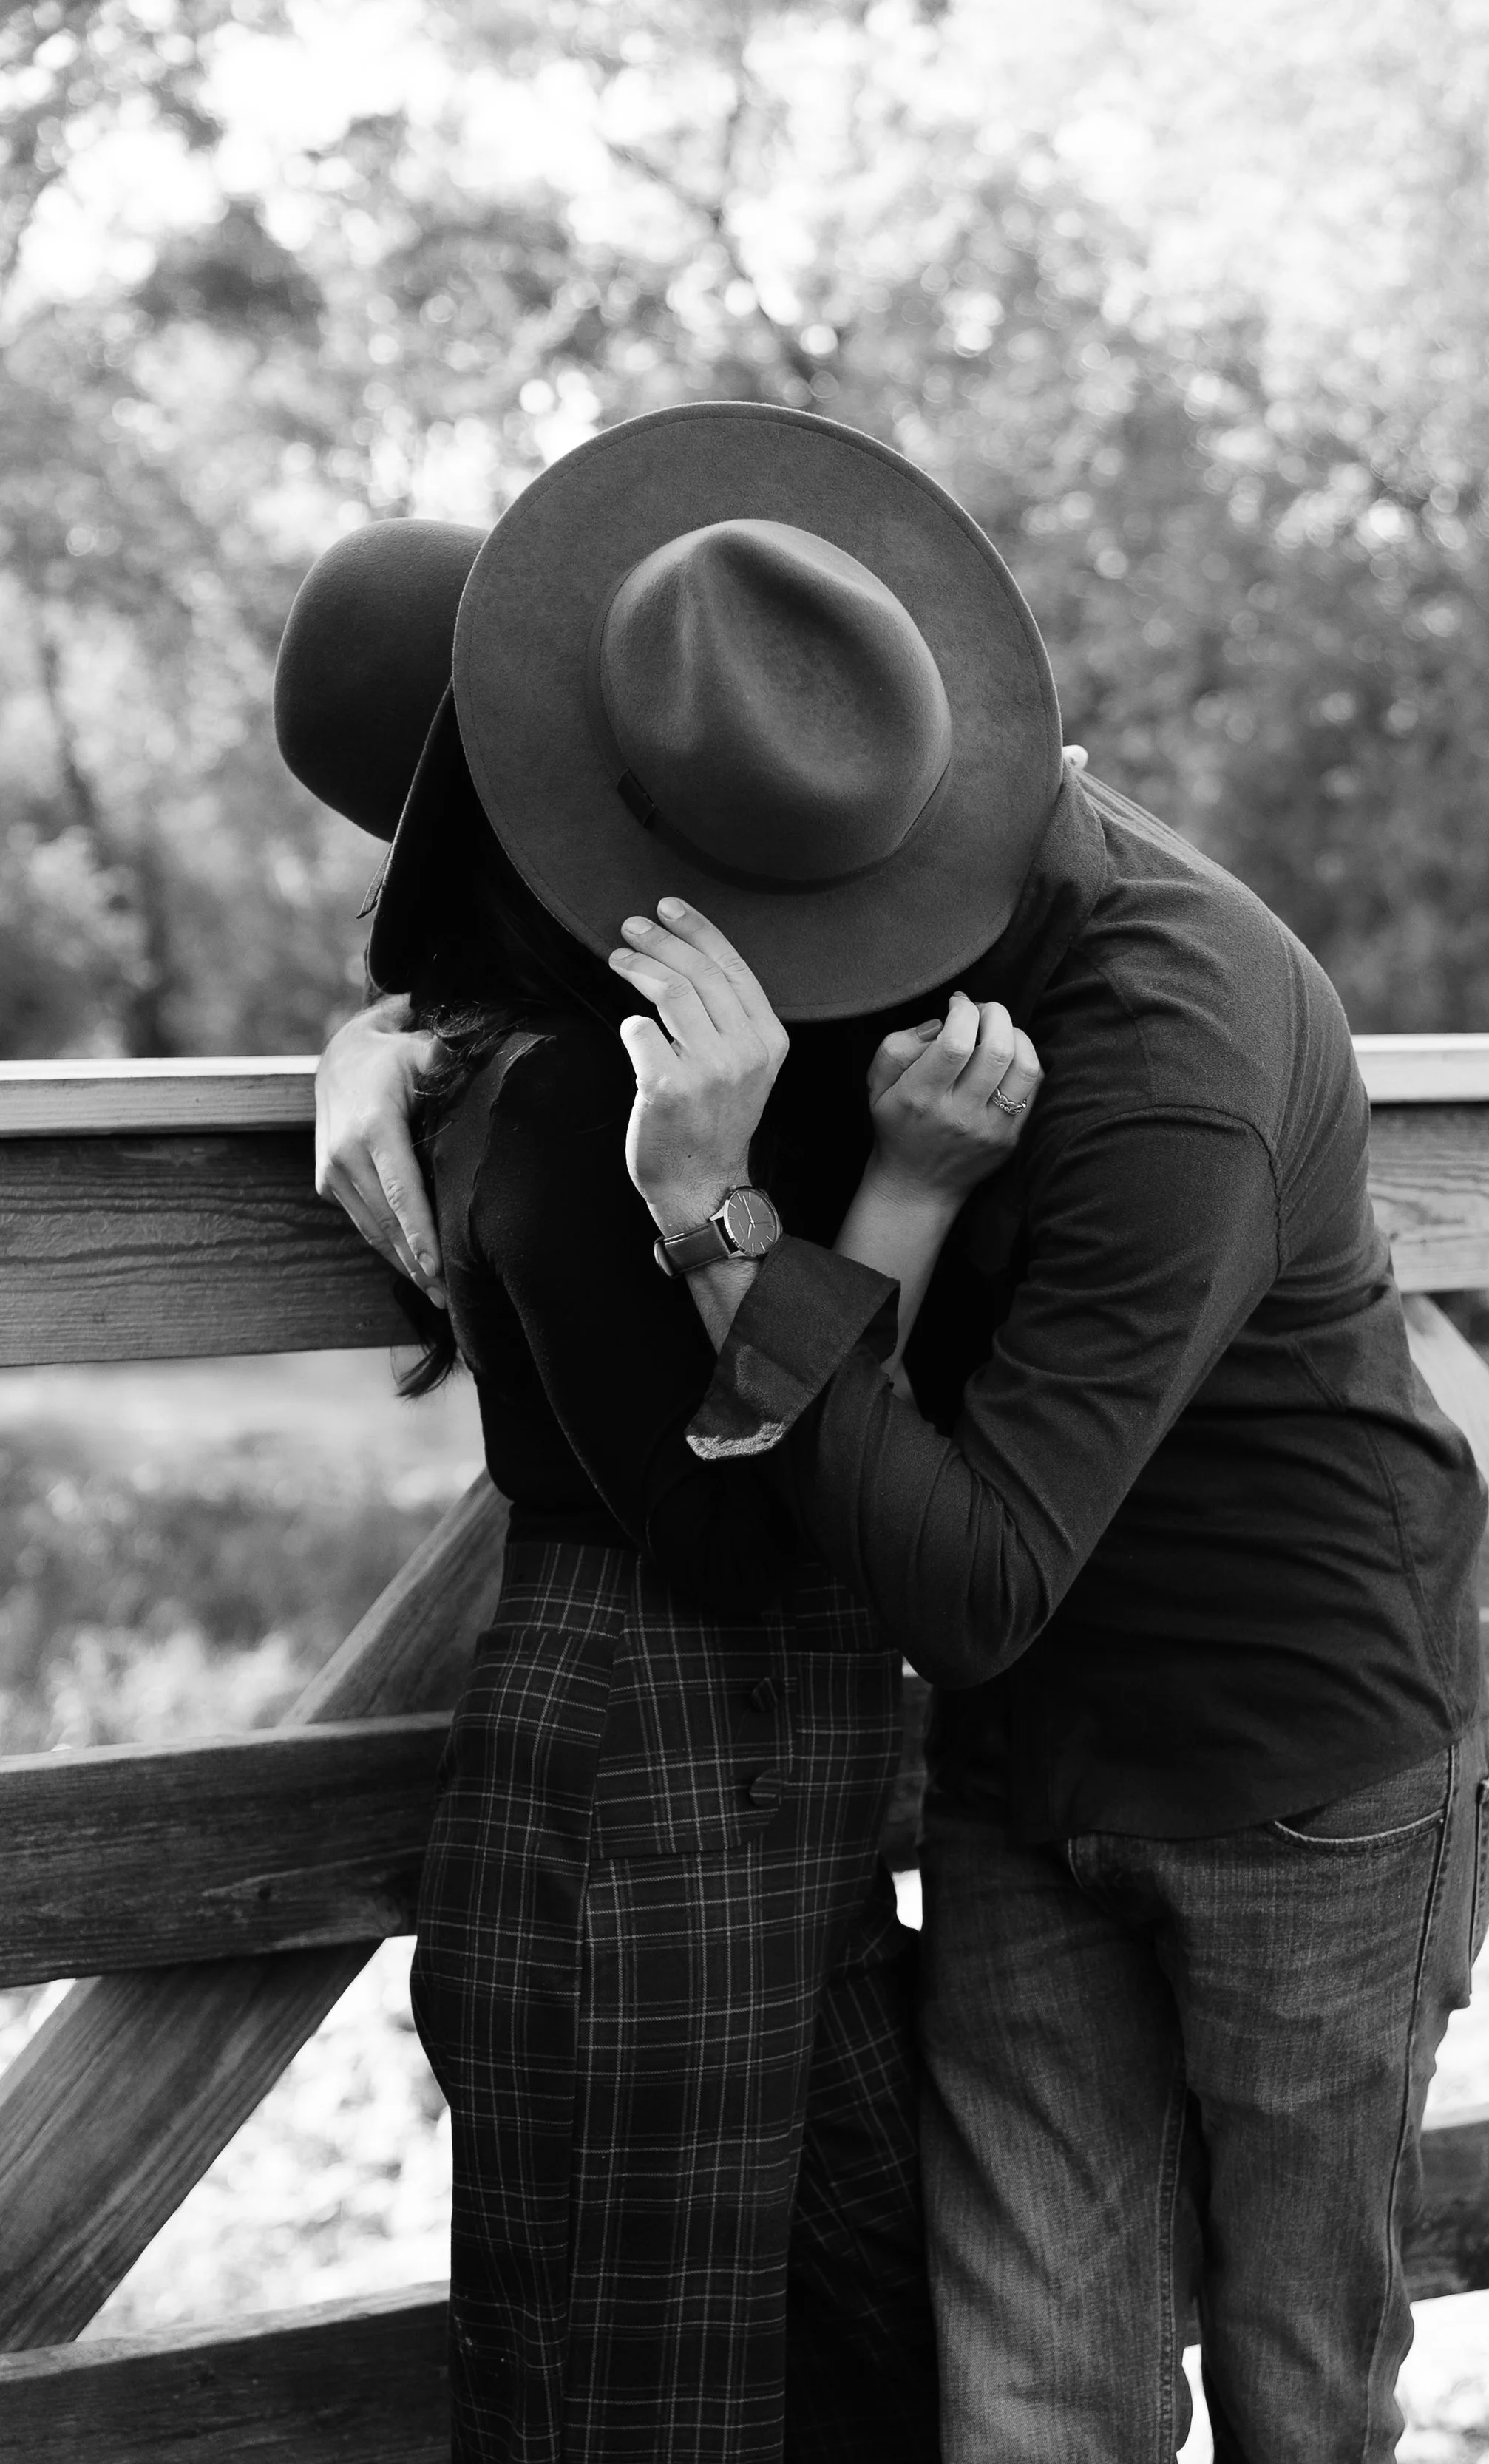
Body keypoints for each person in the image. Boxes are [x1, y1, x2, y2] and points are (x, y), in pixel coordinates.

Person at [311, 401, 1489, 2464]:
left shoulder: (1166, 1043)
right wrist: (387, 1034)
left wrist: (721, 1210)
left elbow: (949, 1571)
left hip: (1290, 1769)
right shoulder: (843, 922)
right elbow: (561, 1074)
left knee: (1302, 2385)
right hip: (1012, 1761)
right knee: (1025, 2404)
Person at [274, 452, 1048, 2464]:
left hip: (775, 1763)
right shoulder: (553, 1107)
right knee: (647, 2394)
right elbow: (714, 1517)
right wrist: (891, 1191)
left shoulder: (667, 1025)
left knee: (872, 2333)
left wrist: (371, 1029)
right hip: (649, 1750)